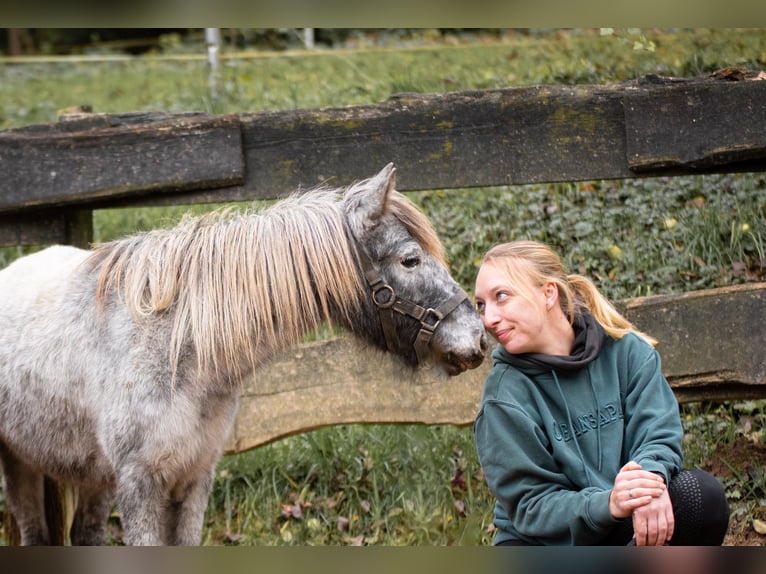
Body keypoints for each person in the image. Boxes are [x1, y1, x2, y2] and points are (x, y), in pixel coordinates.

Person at [472, 240, 730, 546]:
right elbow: (532, 506)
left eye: (502, 296)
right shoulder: (503, 397)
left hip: (621, 519)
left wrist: (648, 483)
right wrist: (608, 503)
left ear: (548, 293)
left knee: (701, 498)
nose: (488, 319)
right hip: (546, 542)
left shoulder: (625, 352)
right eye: (482, 305)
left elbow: (657, 436)